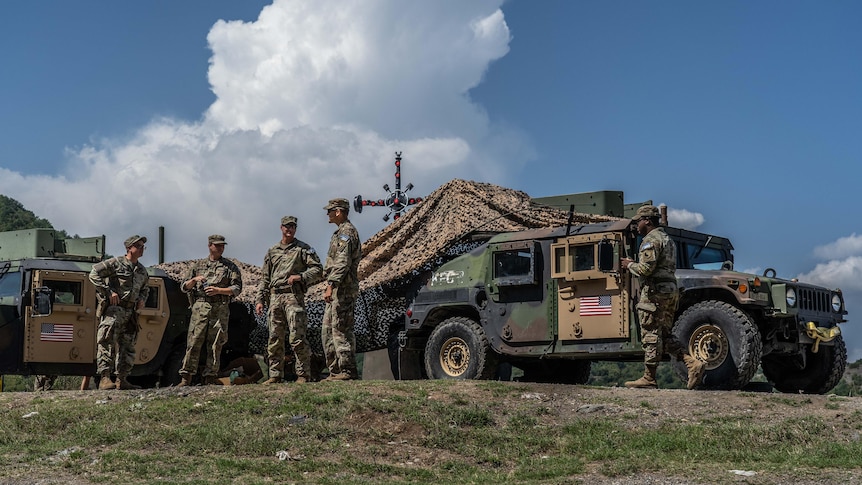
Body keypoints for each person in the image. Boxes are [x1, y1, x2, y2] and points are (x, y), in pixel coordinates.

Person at [621, 205, 705, 389]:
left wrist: (629, 265)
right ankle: (692, 364)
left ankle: (649, 378)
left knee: (650, 333)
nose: (636, 225)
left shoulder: (651, 240)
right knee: (665, 336)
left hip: (655, 293)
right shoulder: (668, 239)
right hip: (669, 291)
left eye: (638, 221)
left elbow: (645, 269)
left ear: (647, 221)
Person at [255, 216, 323, 384]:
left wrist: (301, 276)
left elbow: (318, 270)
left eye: (292, 226)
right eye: (286, 226)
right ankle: (275, 375)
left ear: (295, 229)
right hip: (275, 297)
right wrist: (260, 300)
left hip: (293, 296)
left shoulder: (303, 249)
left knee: (297, 337)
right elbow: (265, 278)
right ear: (281, 228)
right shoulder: (272, 251)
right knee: (274, 338)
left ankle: (302, 374)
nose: (289, 229)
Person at [177, 235, 243, 387]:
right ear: (210, 246)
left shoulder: (229, 267)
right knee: (194, 341)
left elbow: (237, 288)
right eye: (217, 245)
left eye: (222, 246)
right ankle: (186, 377)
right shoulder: (198, 266)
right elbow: (183, 287)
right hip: (201, 306)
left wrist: (219, 290)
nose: (220, 248)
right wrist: (194, 280)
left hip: (220, 307)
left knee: (215, 343)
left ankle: (210, 377)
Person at [88, 235, 151, 390]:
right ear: (129, 248)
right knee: (106, 343)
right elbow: (94, 273)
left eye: (143, 246)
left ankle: (122, 379)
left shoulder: (142, 270)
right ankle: (104, 379)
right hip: (114, 311)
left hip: (131, 313)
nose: (142, 249)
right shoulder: (115, 263)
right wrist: (109, 292)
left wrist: (142, 299)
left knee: (128, 347)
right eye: (138, 246)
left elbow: (145, 288)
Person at [321, 198, 362, 381]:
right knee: (328, 330)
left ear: (338, 211)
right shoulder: (338, 233)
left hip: (343, 289)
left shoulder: (347, 232)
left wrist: (331, 284)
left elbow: (343, 262)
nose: (327, 214)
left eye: (329, 211)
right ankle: (335, 371)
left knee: (341, 328)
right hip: (337, 288)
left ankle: (347, 370)